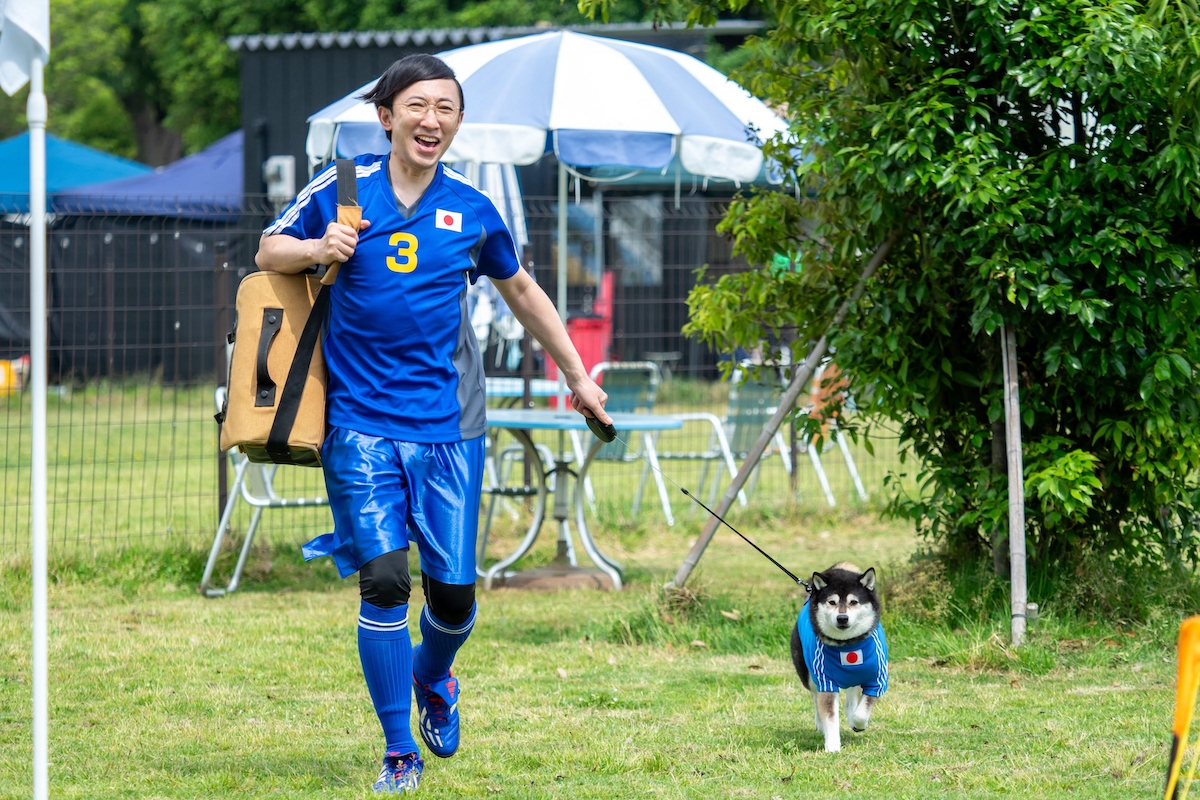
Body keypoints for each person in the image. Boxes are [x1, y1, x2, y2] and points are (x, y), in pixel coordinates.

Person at [255, 54, 611, 794]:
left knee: (451, 598)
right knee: (384, 583)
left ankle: (436, 679)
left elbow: (522, 289)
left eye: (446, 108)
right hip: (358, 423)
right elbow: (268, 249)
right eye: (418, 106)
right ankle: (397, 752)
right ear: (387, 117)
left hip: (448, 427)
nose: (432, 120)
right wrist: (320, 248)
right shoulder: (342, 188)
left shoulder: (472, 209)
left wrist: (576, 376)